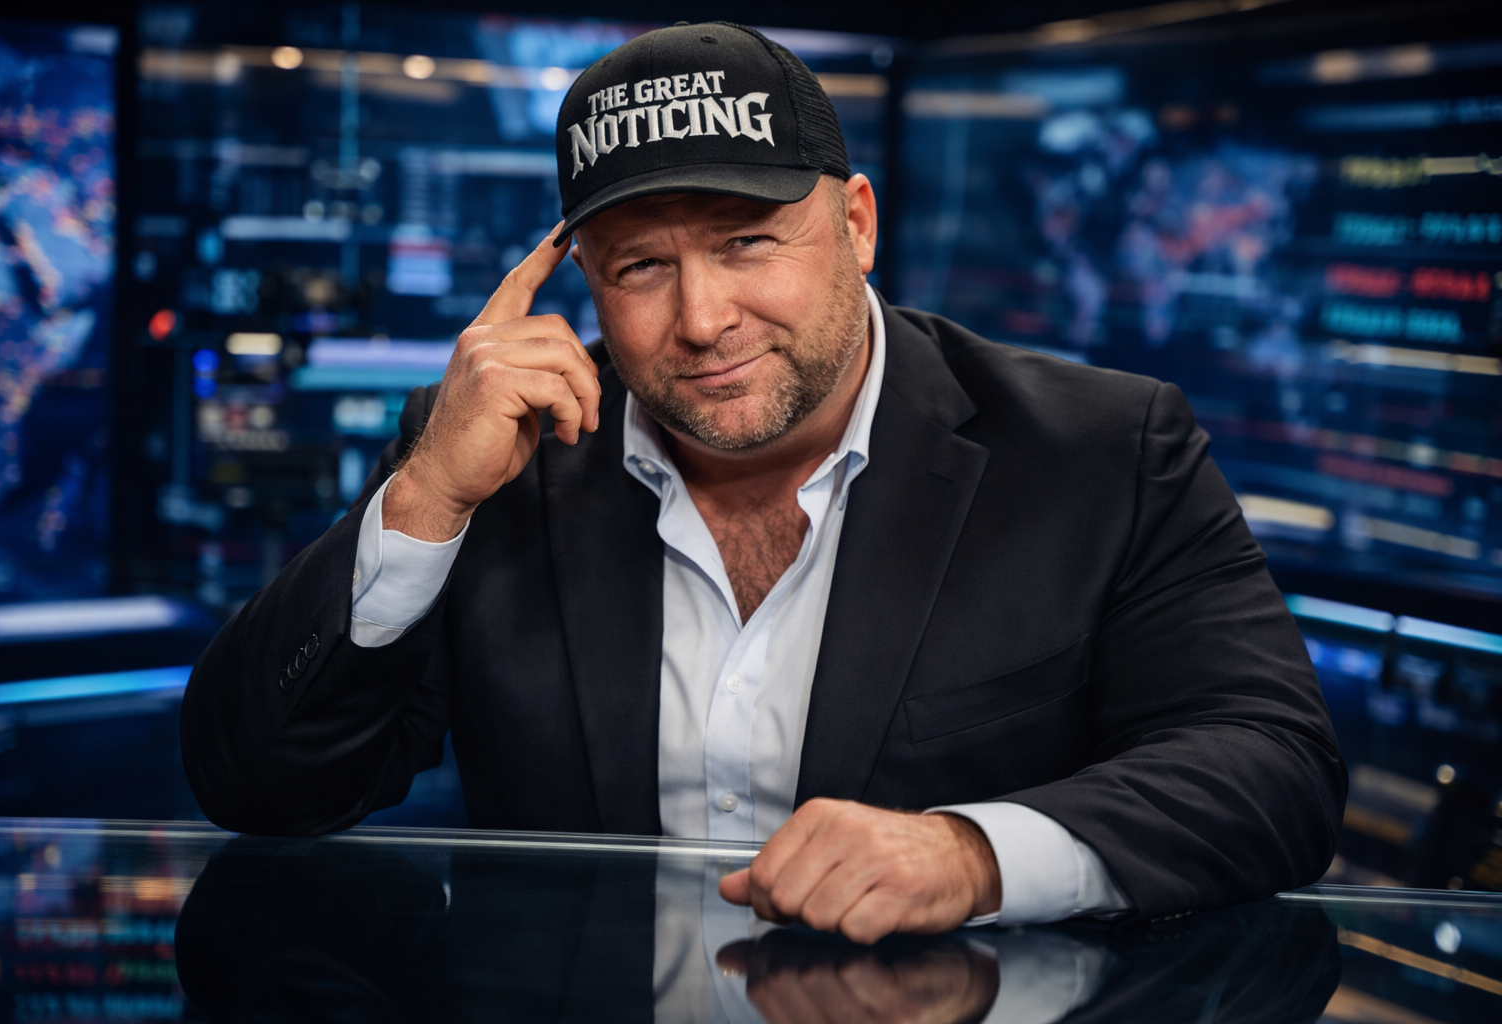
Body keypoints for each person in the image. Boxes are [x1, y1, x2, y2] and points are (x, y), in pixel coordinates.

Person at [181, 22, 1345, 943]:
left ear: (856, 224)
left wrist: (974, 853)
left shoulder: (1103, 449)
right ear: (582, 275)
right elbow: (256, 783)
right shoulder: (500, 455)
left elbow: (1273, 767)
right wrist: (428, 496)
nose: (701, 319)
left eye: (747, 243)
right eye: (643, 264)